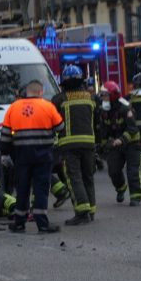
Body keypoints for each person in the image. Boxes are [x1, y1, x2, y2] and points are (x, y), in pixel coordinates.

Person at [0, 79, 64, 233]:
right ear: (40, 92)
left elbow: (5, 137)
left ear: (26, 92)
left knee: (22, 188)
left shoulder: (13, 108)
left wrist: (7, 153)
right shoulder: (48, 106)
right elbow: (61, 127)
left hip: (21, 156)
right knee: (41, 189)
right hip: (43, 156)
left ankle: (19, 223)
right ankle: (42, 224)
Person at [52, 65, 97, 225]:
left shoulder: (59, 99)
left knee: (74, 177)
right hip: (89, 143)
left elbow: (52, 120)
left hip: (69, 145)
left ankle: (81, 211)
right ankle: (91, 210)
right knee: (88, 177)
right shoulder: (90, 98)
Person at [98, 81, 141, 206]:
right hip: (116, 145)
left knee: (132, 171)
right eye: (101, 95)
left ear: (112, 95)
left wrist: (121, 140)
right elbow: (104, 130)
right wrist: (102, 145)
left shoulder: (126, 107)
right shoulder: (104, 110)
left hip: (132, 143)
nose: (102, 97)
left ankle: (136, 196)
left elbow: (132, 129)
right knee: (113, 170)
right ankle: (121, 188)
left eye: (104, 95)